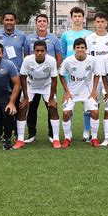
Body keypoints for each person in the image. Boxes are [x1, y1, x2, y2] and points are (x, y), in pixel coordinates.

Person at [13, 40, 61, 149]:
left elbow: (54, 80)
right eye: (37, 51)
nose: (39, 53)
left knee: (53, 107)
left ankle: (56, 139)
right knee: (23, 107)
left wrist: (51, 98)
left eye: (42, 51)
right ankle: (20, 139)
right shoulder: (27, 60)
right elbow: (23, 77)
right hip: (31, 86)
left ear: (46, 51)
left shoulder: (51, 61)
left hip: (46, 86)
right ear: (33, 51)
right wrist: (25, 97)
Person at [23, 14, 63, 144]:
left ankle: (52, 135)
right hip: (33, 80)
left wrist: (50, 72)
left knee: (51, 106)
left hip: (48, 80)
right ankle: (31, 134)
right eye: (39, 21)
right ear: (36, 23)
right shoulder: (28, 39)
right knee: (31, 108)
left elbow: (58, 56)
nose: (41, 23)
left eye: (44, 21)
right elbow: (26, 56)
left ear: (47, 23)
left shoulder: (54, 39)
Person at [0, 11, 26, 142]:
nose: (9, 22)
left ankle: (16, 132)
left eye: (11, 20)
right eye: (7, 20)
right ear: (3, 21)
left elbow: (26, 55)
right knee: (0, 105)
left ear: (15, 21)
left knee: (16, 104)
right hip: (0, 76)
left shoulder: (22, 36)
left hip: (16, 75)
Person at [60, 7, 94, 142]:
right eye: (75, 16)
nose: (77, 18)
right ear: (71, 17)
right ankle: (69, 134)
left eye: (80, 16)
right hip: (70, 76)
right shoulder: (65, 35)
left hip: (85, 76)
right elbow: (63, 53)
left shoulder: (89, 34)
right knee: (69, 104)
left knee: (87, 106)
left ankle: (87, 131)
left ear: (83, 18)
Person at [59, 38, 100, 148]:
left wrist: (94, 91)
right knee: (66, 113)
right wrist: (67, 92)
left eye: (82, 47)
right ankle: (68, 138)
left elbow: (97, 74)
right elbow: (61, 75)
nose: (80, 49)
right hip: (72, 92)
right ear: (74, 49)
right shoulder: (68, 61)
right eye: (78, 47)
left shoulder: (92, 60)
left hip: (87, 92)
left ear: (86, 49)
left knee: (95, 112)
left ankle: (94, 138)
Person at [85, 12, 108, 142]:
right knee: (93, 106)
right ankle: (93, 133)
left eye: (102, 22)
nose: (100, 24)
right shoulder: (89, 39)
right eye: (98, 22)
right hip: (93, 78)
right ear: (94, 23)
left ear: (106, 23)